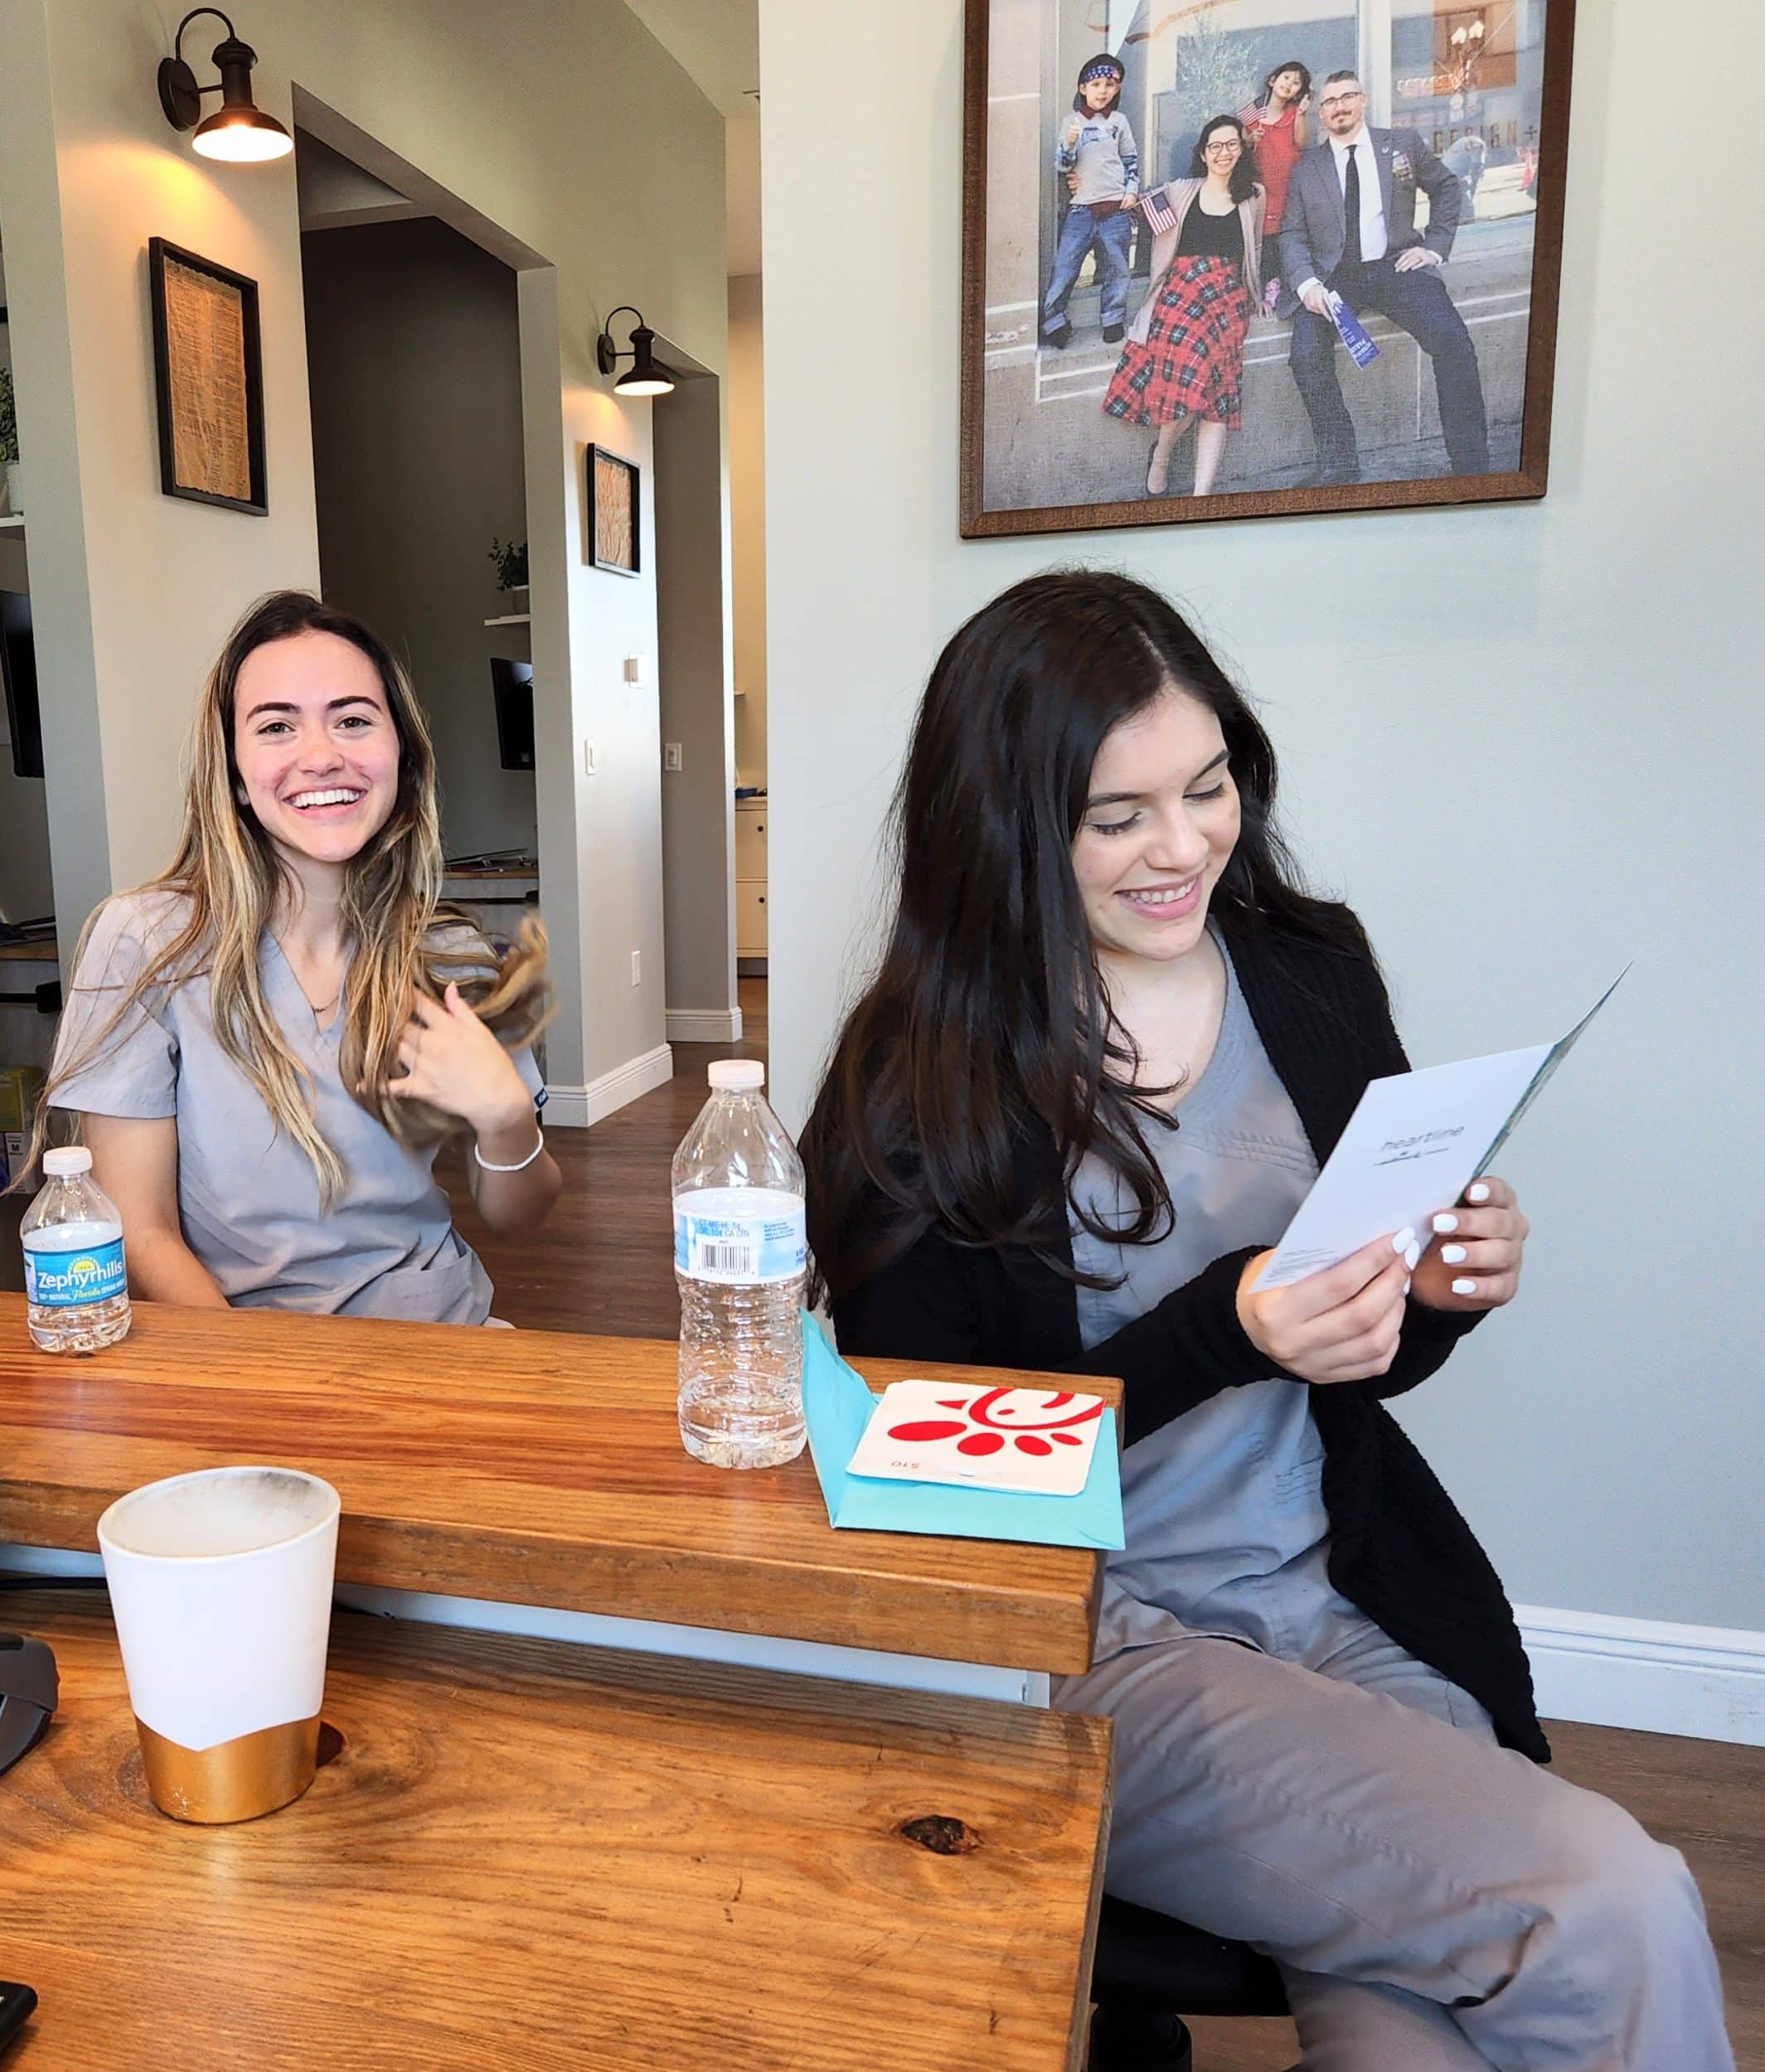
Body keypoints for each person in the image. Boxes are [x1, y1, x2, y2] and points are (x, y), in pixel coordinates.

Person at [802, 571, 1734, 2072]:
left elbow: (1362, 1354)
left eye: (1207, 786)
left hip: (1329, 1597)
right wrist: (1224, 1328)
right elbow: (932, 1471)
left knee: (1423, 2043)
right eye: (1116, 818)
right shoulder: (910, 1095)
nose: (1182, 848)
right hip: (1091, 1639)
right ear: (1009, 829)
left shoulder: (1306, 973)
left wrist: (1431, 1295)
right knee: (1612, 1904)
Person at [24, 590, 560, 1323]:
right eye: (276, 726)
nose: (320, 756)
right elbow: (141, 1234)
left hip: (441, 1338)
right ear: (237, 773)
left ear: (399, 755)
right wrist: (270, 1390)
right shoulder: (145, 942)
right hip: (239, 1357)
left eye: (352, 720)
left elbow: (519, 1218)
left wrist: (506, 1122)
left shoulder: (449, 954)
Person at [1278, 69, 1490, 483]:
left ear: (1363, 100)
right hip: (1334, 277)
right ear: (1320, 113)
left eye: (1347, 97)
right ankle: (1340, 463)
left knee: (1453, 341)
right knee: (1304, 356)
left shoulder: (1401, 145)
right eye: (1330, 102)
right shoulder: (1307, 169)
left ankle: (1471, 466)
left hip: (1395, 267)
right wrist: (1307, 285)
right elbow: (1291, 233)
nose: (1339, 107)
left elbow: (1447, 190)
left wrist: (1434, 247)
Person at [1103, 116, 1264, 498]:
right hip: (1181, 292)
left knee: (1218, 391)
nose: (1224, 153)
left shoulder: (1254, 195)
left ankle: (1201, 495)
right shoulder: (1180, 191)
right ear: (1203, 154)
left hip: (1228, 298)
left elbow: (1254, 251)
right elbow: (1127, 202)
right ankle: (1162, 454)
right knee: (1197, 370)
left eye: (1231, 145)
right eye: (1216, 146)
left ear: (1241, 151)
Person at [1040, 53, 1139, 350]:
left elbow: (1130, 159)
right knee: (1066, 266)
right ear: (1083, 87)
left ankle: (1112, 317)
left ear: (1117, 89)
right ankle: (1054, 321)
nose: (1102, 90)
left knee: (1118, 266)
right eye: (1095, 84)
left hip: (1115, 209)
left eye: (1110, 84)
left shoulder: (1119, 122)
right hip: (1082, 210)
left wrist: (1131, 190)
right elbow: (1062, 165)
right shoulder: (1071, 122)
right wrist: (1069, 143)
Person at [1235, 58, 1311, 305]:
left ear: (1300, 93)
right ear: (1272, 80)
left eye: (1296, 82)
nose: (1289, 84)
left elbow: (1301, 143)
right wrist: (1249, 140)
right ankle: (1262, 282)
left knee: (1287, 236)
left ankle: (1280, 283)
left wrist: (1300, 113)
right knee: (1264, 239)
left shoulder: (1292, 114)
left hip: (1288, 188)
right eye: (1286, 77)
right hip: (1262, 190)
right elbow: (1241, 152)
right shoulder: (1252, 116)